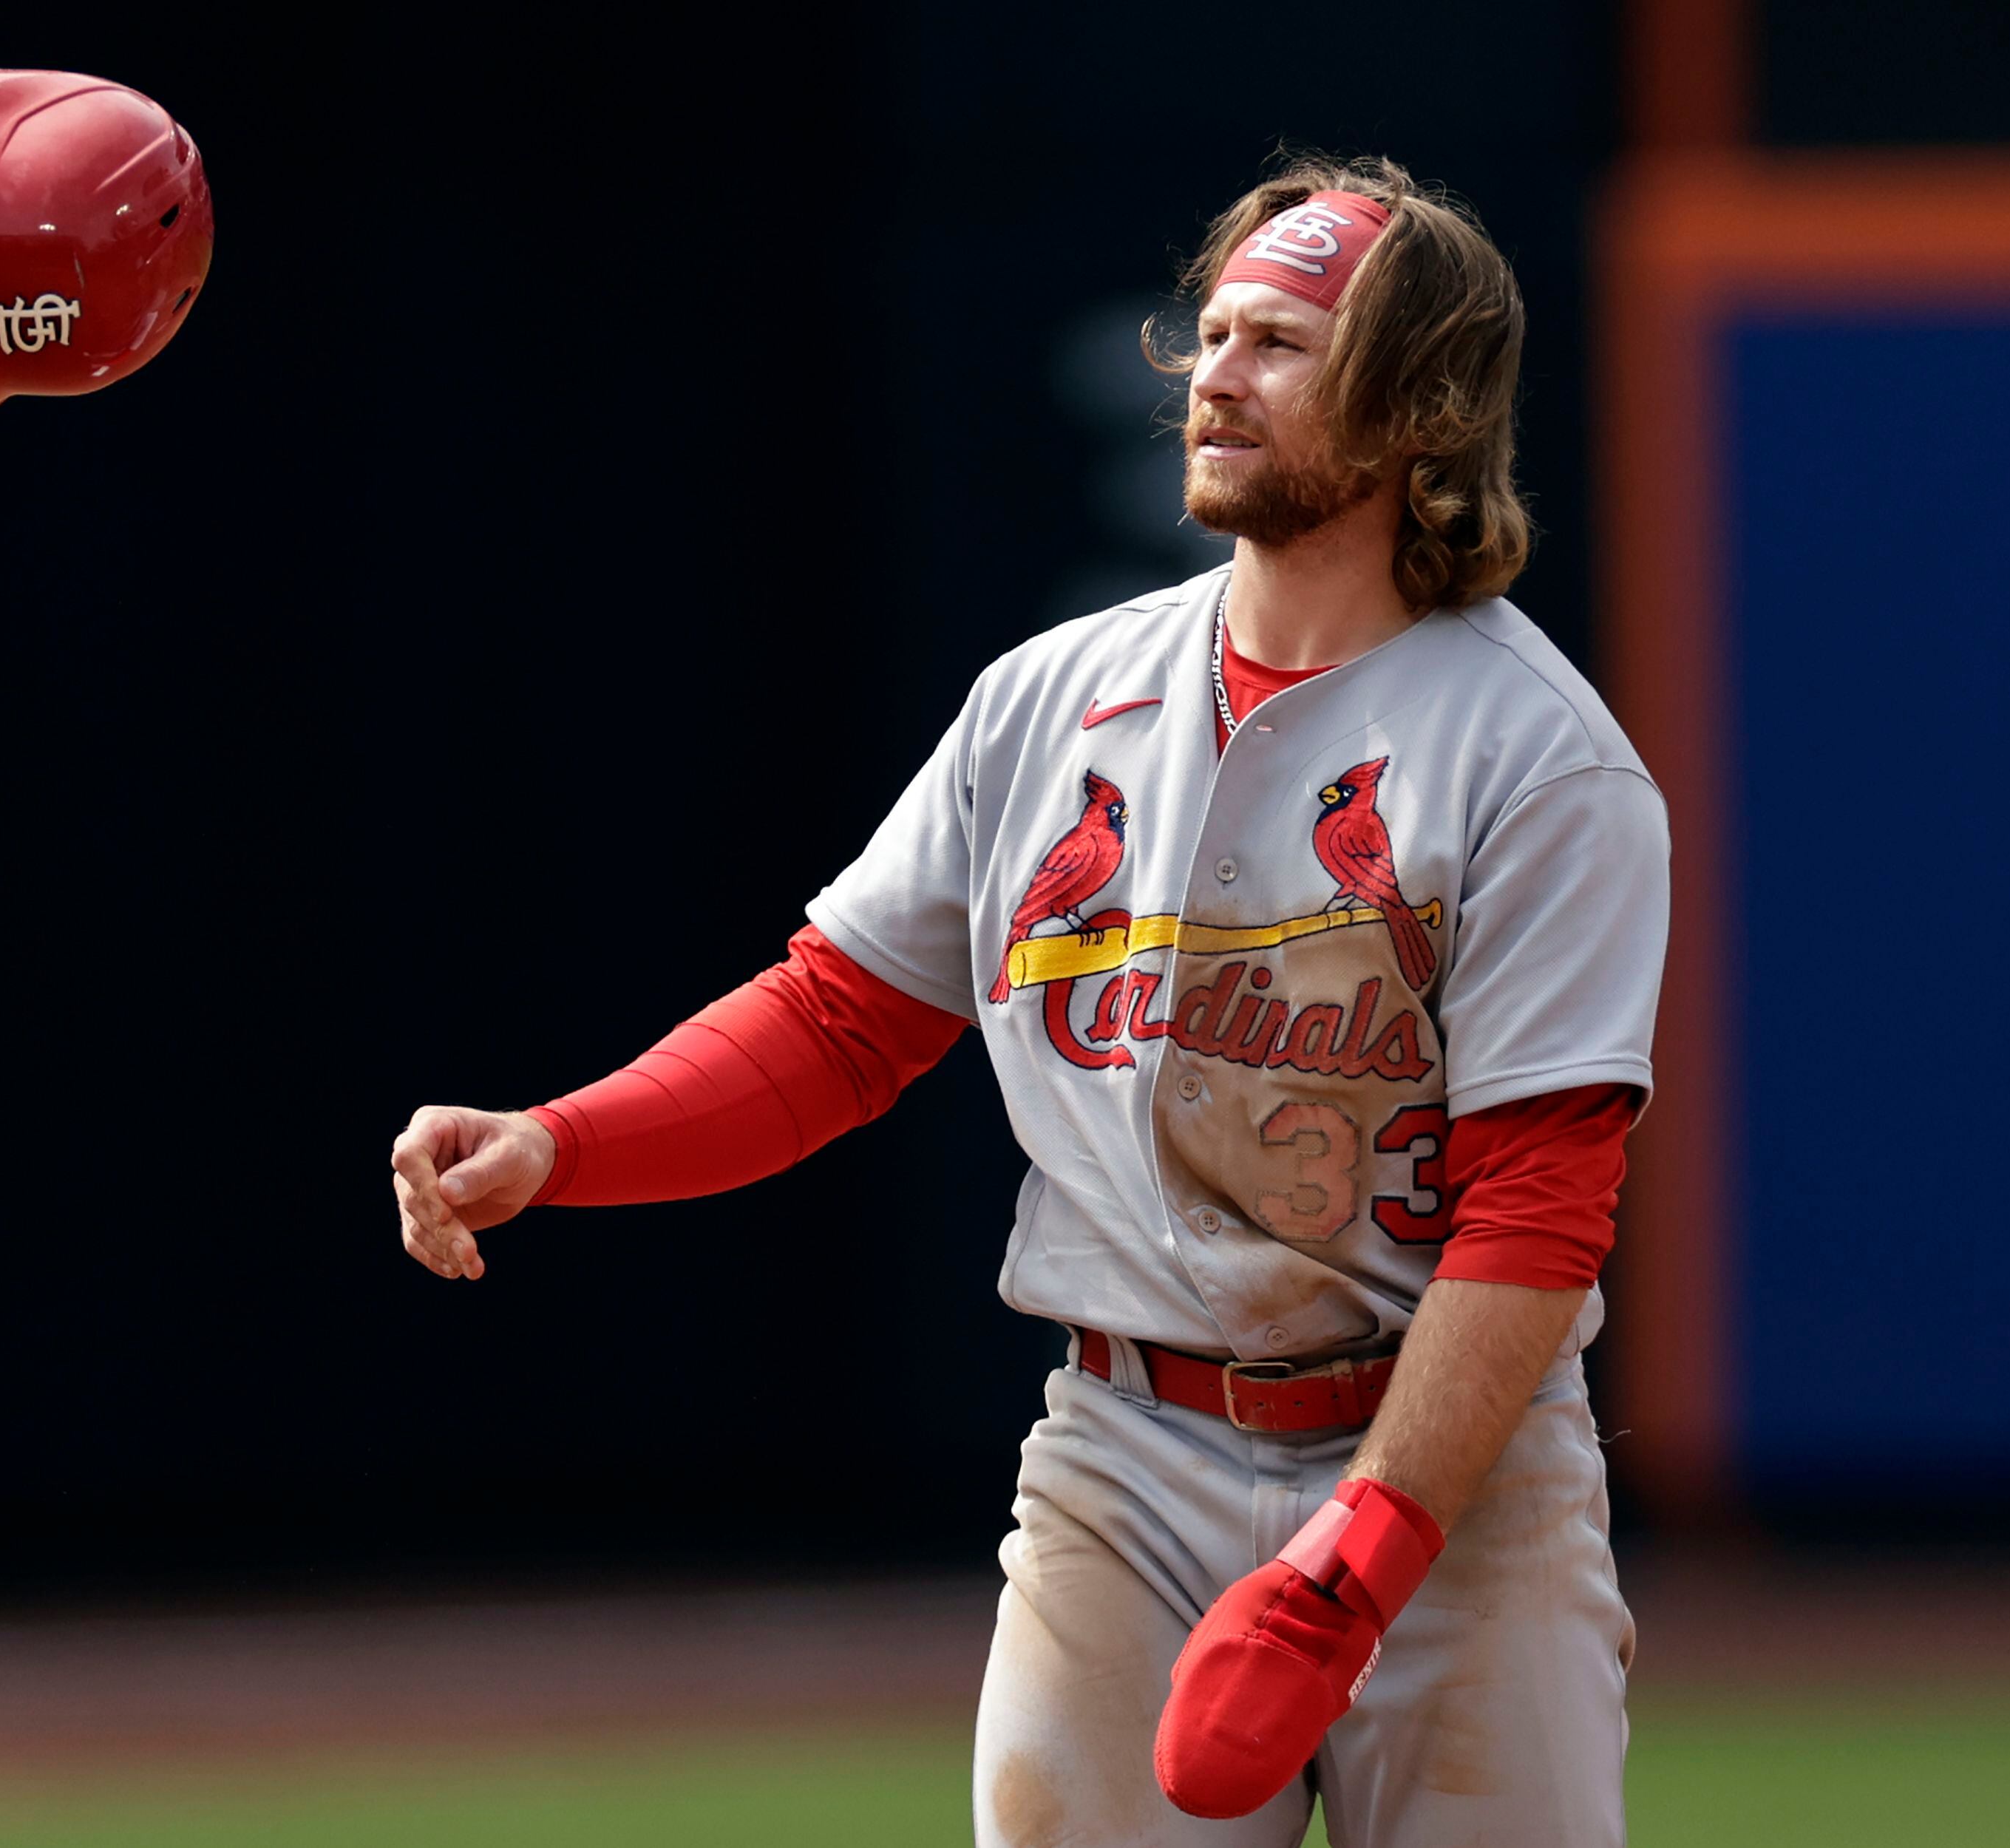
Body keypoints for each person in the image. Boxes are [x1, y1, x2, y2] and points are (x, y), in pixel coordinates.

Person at [390, 154, 1668, 1847]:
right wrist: (566, 1139)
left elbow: (1540, 1203)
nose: (1214, 373)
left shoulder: (1537, 757)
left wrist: (1366, 1554)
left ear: (1418, 406)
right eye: (1212, 332)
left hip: (1460, 1473)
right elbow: (840, 1020)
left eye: (1281, 342)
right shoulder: (1052, 699)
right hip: (1130, 1459)